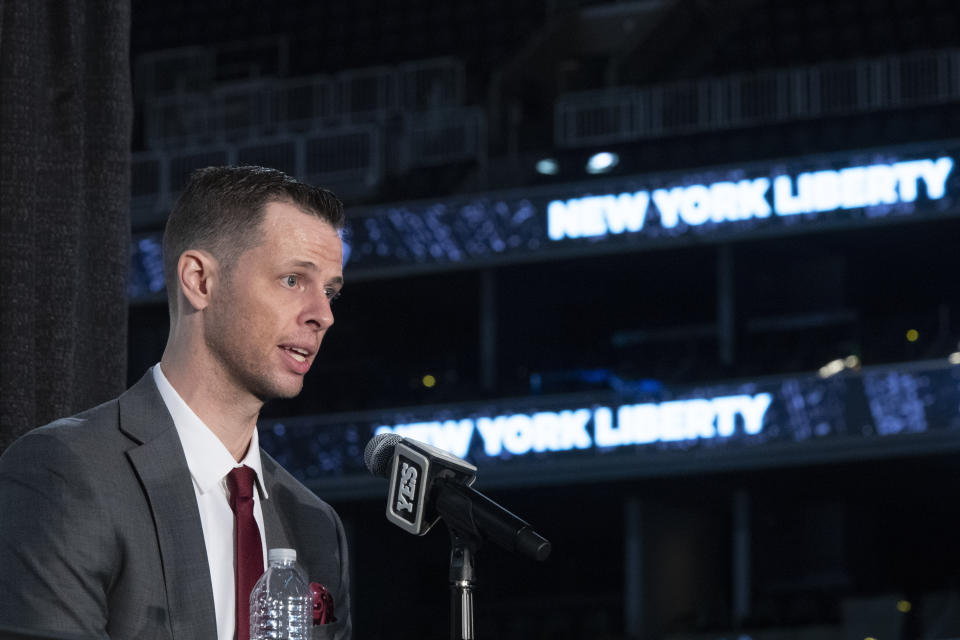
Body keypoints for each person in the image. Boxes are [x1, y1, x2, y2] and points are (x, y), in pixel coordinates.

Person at [0, 166, 352, 640]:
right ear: (199, 280)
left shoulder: (315, 525)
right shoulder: (64, 474)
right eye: (293, 280)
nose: (323, 314)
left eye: (330, 291)